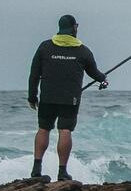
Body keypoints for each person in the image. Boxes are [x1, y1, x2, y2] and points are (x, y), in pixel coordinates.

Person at [27, 14, 107, 181]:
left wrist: (32, 96)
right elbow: (94, 72)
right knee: (65, 130)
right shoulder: (83, 51)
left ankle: (36, 169)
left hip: (48, 96)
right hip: (70, 99)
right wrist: (103, 78)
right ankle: (62, 172)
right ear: (74, 28)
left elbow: (34, 74)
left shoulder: (45, 47)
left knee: (43, 129)